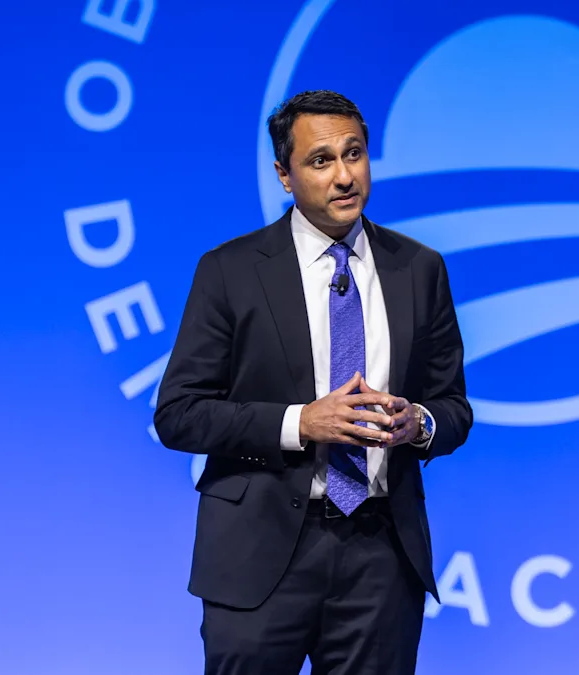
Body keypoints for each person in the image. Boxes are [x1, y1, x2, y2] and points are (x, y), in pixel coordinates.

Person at [154, 90, 473, 675]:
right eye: (321, 160)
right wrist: (300, 423)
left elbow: (453, 406)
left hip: (379, 556)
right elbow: (178, 413)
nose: (345, 175)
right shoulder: (229, 270)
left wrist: (419, 424)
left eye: (354, 154)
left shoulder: (419, 268)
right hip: (260, 552)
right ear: (285, 175)